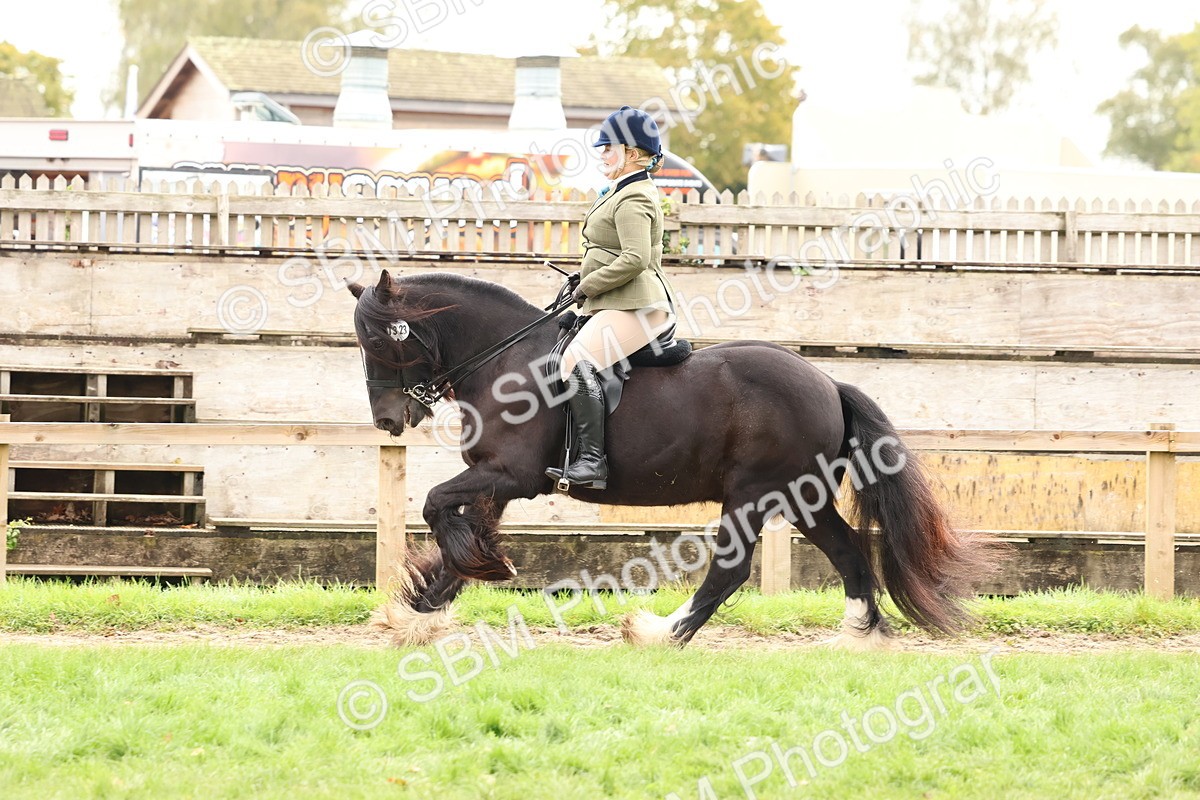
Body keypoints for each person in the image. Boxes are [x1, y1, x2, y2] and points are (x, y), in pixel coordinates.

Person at [545, 106, 679, 491]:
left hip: (639, 306)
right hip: (617, 301)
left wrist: (590, 285)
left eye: (609, 148)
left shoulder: (635, 196)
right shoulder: (620, 192)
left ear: (633, 154)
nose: (602, 154)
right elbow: (611, 251)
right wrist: (581, 278)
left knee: (576, 360)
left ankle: (592, 462)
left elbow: (635, 259)